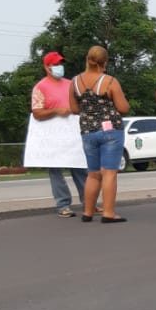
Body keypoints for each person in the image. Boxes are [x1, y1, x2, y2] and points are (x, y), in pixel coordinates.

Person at [69, 46, 130, 223]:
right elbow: (123, 108)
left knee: (93, 174)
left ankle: (88, 212)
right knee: (109, 173)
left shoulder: (74, 82)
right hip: (110, 131)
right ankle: (108, 213)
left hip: (88, 131)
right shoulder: (110, 81)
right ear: (105, 62)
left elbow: (74, 109)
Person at [31, 50, 87, 217]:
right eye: (55, 64)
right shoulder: (40, 87)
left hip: (72, 134)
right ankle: (63, 204)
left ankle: (88, 202)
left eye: (60, 63)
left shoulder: (71, 84)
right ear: (47, 67)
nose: (59, 67)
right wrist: (56, 111)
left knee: (80, 168)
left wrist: (75, 110)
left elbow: (81, 105)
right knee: (56, 171)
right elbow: (37, 113)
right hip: (53, 136)